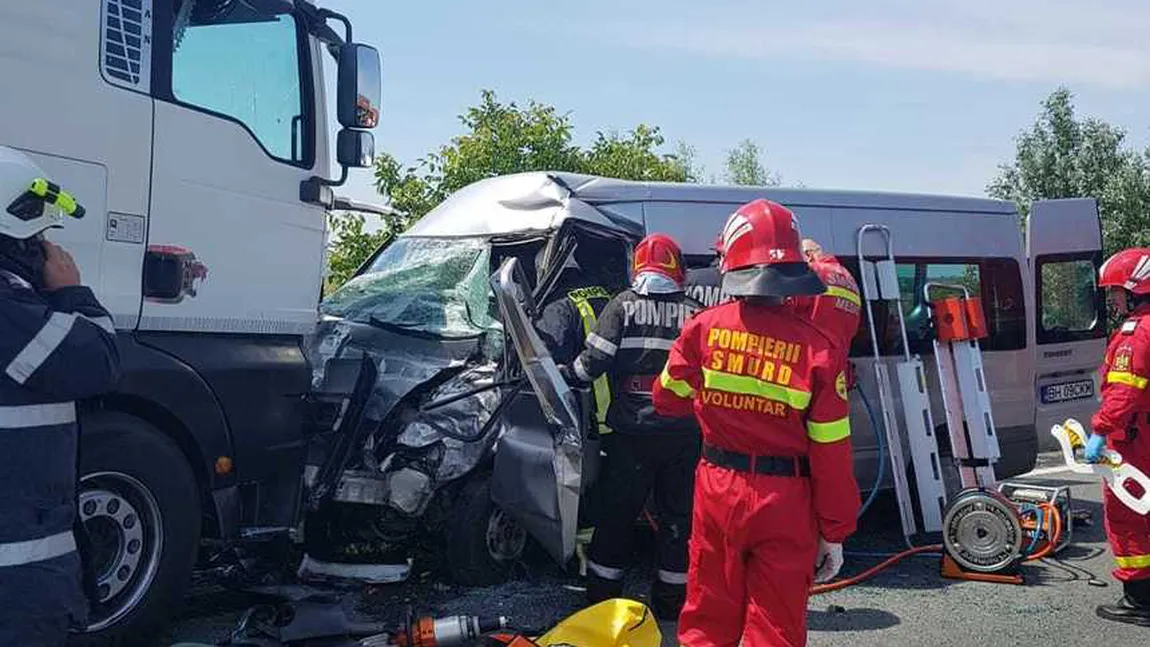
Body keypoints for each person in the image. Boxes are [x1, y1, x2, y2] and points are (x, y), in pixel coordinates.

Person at [652, 199, 860, 646]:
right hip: (786, 500)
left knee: (707, 618)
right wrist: (835, 531)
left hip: (717, 489)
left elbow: (666, 399)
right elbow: (832, 453)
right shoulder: (820, 349)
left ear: (731, 263)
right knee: (776, 629)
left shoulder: (701, 330)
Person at [0, 146, 121, 645]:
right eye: (40, 238)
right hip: (17, 591)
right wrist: (71, 292)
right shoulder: (12, 316)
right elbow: (98, 363)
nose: (47, 249)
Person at [559, 233, 701, 621]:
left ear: (638, 267)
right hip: (683, 430)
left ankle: (604, 600)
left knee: (617, 515)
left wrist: (563, 376)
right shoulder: (696, 311)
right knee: (677, 518)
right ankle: (672, 603)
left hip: (633, 430)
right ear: (678, 270)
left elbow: (592, 364)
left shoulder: (622, 305)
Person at [1086, 247, 1150, 627]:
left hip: (1134, 439)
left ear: (1135, 289)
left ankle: (1140, 599)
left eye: (1115, 292)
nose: (1112, 300)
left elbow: (1124, 392)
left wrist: (1100, 429)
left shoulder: (1136, 333)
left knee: (1128, 516)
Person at [789, 239, 862, 355]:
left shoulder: (812, 271)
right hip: (841, 358)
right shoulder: (850, 279)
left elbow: (788, 308)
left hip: (814, 355)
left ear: (808, 255)